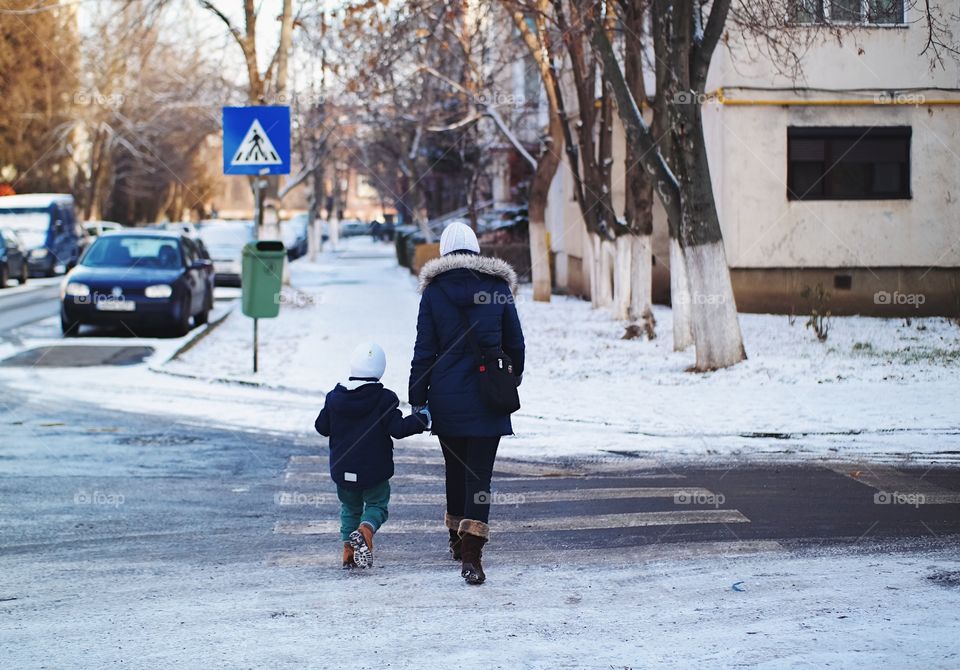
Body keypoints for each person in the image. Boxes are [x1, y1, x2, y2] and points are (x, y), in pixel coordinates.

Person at [409, 221, 525, 585]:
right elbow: (516, 344)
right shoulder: (497, 288)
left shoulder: (434, 293)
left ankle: (456, 542)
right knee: (480, 476)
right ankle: (472, 556)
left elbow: (424, 351)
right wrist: (511, 377)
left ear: (443, 252)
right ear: (477, 249)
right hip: (489, 398)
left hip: (445, 397)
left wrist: (417, 397)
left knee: (455, 470)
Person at [315, 341, 431, 569]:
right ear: (380, 370)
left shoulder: (334, 397)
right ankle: (365, 531)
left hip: (342, 469)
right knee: (377, 505)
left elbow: (322, 427)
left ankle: (348, 552)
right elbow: (398, 429)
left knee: (349, 508)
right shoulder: (384, 399)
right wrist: (423, 418)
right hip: (373, 471)